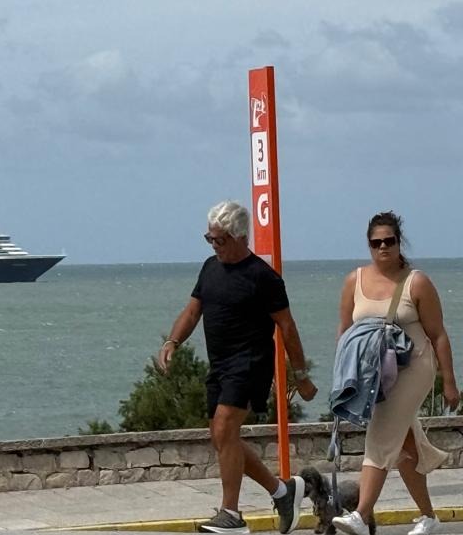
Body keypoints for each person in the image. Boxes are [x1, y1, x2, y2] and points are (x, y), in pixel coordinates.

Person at [159, 201, 317, 535]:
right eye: (209, 239)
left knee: (225, 427)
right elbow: (192, 312)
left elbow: (287, 328)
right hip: (220, 365)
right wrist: (172, 341)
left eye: (220, 240)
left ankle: (231, 514)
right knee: (221, 436)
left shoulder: (264, 277)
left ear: (240, 237)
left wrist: (300, 376)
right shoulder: (209, 268)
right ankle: (282, 491)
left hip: (251, 364)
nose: (214, 246)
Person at [332, 212, 459, 535]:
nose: (383, 247)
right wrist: (342, 376)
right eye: (376, 242)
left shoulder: (416, 282)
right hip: (374, 372)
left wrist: (450, 382)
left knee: (382, 431)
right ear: (369, 245)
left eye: (389, 241)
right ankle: (429, 516)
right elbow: (345, 332)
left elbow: (438, 334)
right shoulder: (354, 281)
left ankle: (361, 513)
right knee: (401, 443)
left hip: (414, 366)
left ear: (399, 242)